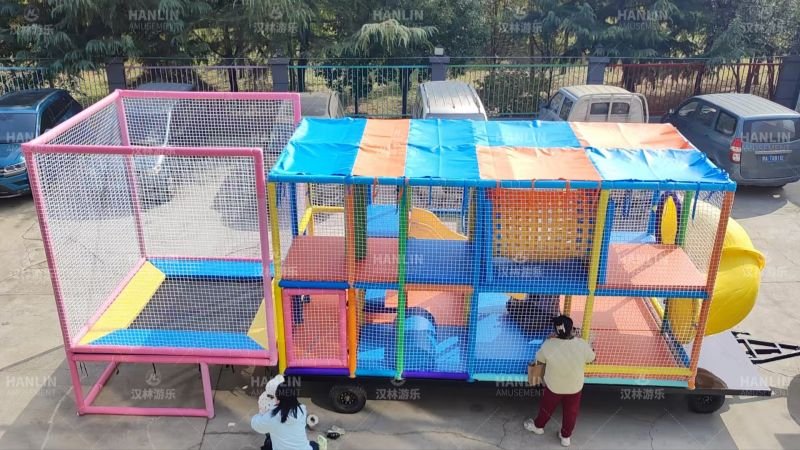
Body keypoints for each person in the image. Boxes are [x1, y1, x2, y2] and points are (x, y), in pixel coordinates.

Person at [524, 315, 595, 447]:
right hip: (574, 387)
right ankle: (566, 437)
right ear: (571, 330)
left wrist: (548, 340)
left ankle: (538, 427)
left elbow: (539, 358)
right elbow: (592, 357)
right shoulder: (581, 344)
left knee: (546, 408)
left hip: (554, 387)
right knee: (571, 412)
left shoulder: (549, 345)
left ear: (555, 331)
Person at [251, 375, 327, 450]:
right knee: (313, 444)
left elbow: (255, 424)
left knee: (268, 443)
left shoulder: (272, 417)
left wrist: (263, 412)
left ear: (278, 400)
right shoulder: (302, 410)